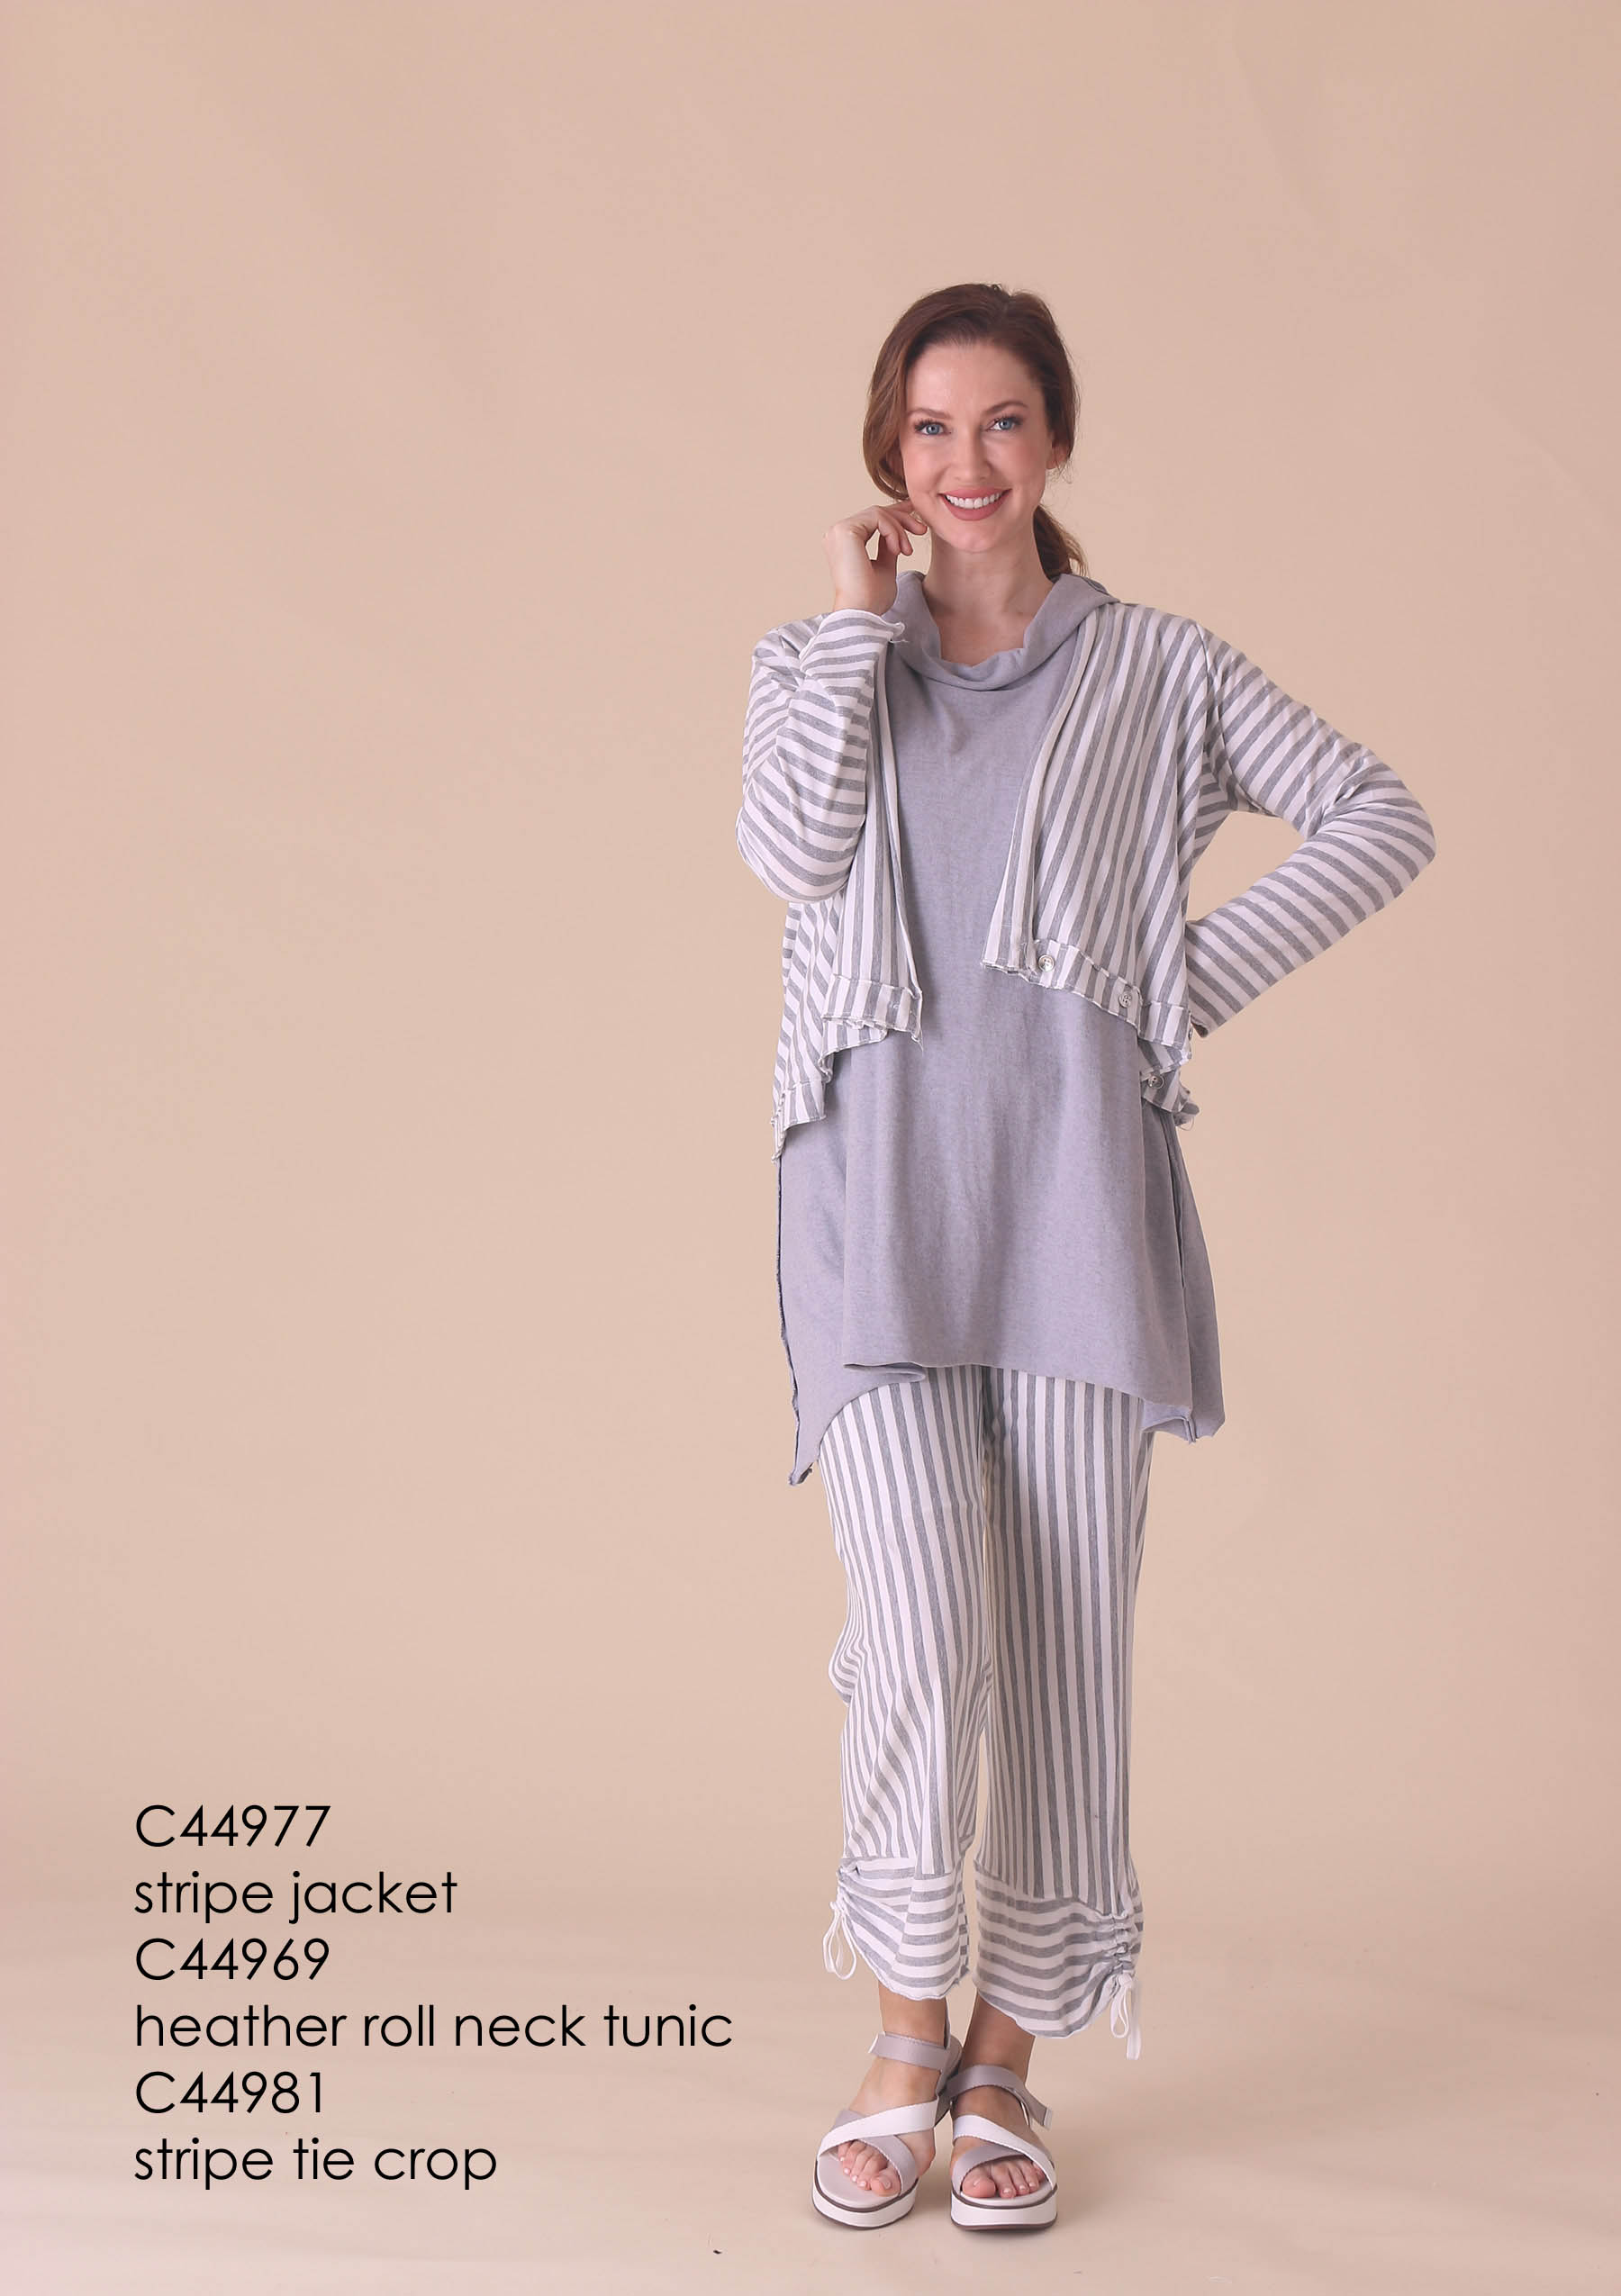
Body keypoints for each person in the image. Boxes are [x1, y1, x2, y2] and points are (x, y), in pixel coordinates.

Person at [734, 284, 1437, 2233]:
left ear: (1055, 439)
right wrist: (857, 622)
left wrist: (1167, 989)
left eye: (1002, 423)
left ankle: (1005, 2056)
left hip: (1071, 1221)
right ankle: (902, 2029)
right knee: (915, 1627)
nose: (966, 463)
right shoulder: (818, 661)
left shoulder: (1161, 668)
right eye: (930, 428)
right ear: (888, 452)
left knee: (1058, 1653)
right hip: (873, 1210)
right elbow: (790, 856)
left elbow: (1377, 815)